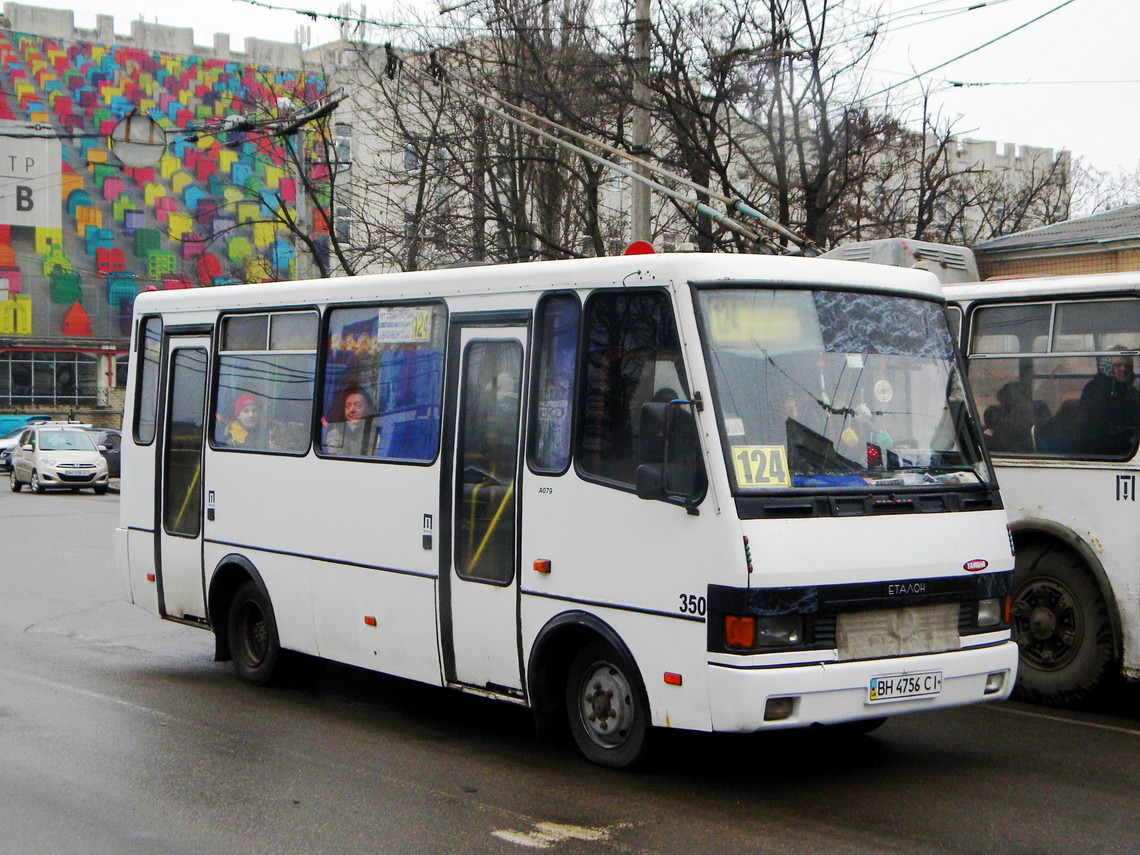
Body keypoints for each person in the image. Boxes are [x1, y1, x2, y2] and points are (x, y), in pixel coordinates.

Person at [1077, 348, 1139, 455]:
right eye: (1118, 365)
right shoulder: (1094, 389)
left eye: (1128, 366)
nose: (1123, 369)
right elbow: (1092, 426)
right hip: (1099, 451)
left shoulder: (1133, 393)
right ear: (1108, 367)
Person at [325, 386, 379, 457]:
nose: (352, 410)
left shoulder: (376, 432)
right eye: (347, 406)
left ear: (368, 409)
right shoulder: (336, 434)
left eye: (358, 406)